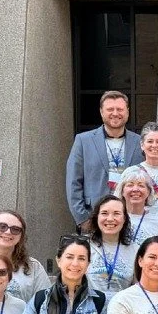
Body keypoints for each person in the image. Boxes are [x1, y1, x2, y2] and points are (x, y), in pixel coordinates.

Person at [66, 89, 143, 230]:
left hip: (132, 218)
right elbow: (73, 182)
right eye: (110, 109)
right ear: (101, 112)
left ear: (127, 112)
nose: (115, 113)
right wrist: (83, 219)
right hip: (94, 218)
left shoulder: (140, 143)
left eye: (120, 109)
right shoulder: (83, 141)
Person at [85, 193, 138, 296]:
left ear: (125, 219)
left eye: (116, 213)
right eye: (104, 213)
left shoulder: (136, 250)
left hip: (121, 309)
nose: (110, 219)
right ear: (97, 217)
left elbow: (138, 289)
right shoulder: (84, 246)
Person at [119, 174, 158, 246]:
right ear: (122, 191)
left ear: (149, 192)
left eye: (141, 185)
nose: (135, 189)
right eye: (130, 185)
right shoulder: (114, 219)